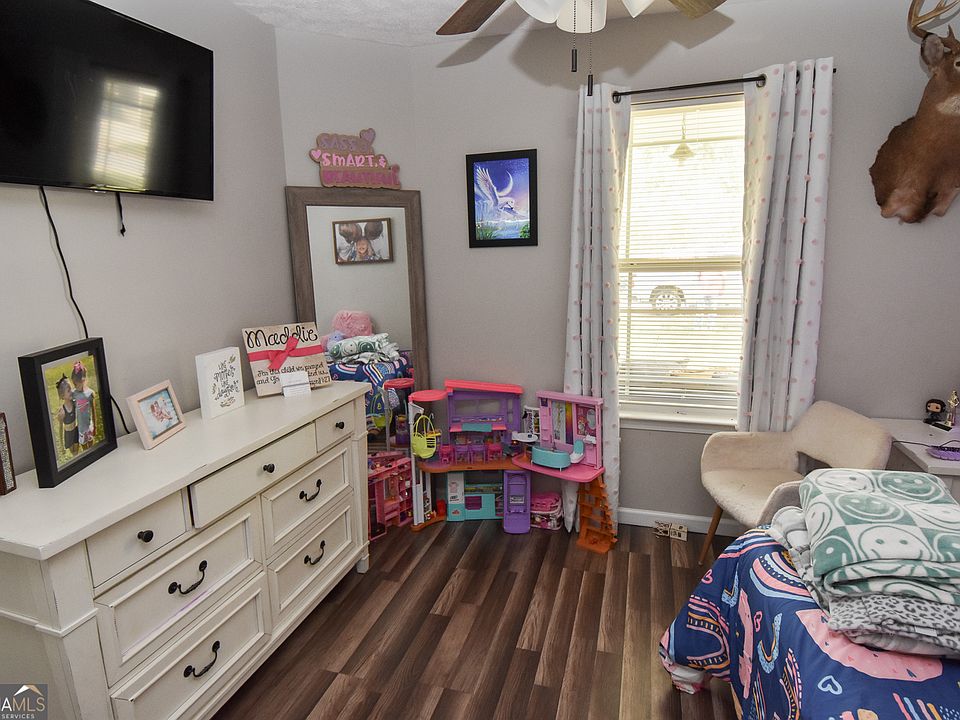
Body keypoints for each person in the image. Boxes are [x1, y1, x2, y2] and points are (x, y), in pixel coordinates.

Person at [71, 361, 96, 449]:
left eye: (79, 383)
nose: (77, 386)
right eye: (75, 384)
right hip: (80, 428)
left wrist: (95, 426)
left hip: (89, 425)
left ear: (84, 380)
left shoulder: (90, 393)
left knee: (91, 443)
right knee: (84, 446)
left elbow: (93, 410)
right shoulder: (73, 394)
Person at [55, 375, 79, 455]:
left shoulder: (74, 403)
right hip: (68, 434)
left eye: (71, 389)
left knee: (77, 451)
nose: (71, 391)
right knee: (74, 453)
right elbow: (60, 429)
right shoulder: (62, 411)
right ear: (62, 396)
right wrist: (62, 446)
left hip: (76, 430)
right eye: (68, 391)